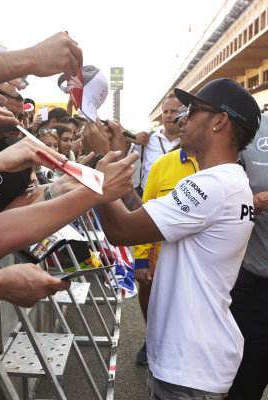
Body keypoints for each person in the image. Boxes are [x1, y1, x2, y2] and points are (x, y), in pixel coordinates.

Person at [96, 78, 259, 398]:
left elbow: (121, 231)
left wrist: (101, 166)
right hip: (195, 360)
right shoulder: (227, 181)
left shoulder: (213, 185)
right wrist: (116, 157)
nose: (181, 119)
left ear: (220, 121)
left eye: (193, 111)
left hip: (189, 366)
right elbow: (145, 216)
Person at [131, 106, 199, 366]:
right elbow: (145, 213)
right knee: (152, 300)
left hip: (199, 264)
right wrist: (140, 259)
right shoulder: (162, 165)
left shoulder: (224, 166)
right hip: (160, 257)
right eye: (179, 118)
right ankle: (153, 338)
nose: (181, 123)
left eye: (186, 118)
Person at [226, 113, 268, 400]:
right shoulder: (253, 127)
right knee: (244, 384)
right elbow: (221, 196)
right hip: (253, 283)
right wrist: (255, 203)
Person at [134, 93, 183, 189]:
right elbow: (118, 151)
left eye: (173, 111)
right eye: (165, 112)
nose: (168, 116)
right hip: (148, 201)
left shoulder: (192, 142)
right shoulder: (148, 140)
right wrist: (129, 138)